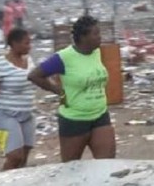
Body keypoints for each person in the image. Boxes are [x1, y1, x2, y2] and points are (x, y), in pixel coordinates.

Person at [28, 16, 115, 162]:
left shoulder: (97, 53)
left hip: (100, 115)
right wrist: (58, 91)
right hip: (74, 120)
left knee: (107, 164)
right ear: (83, 37)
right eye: (96, 34)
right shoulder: (64, 57)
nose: (100, 37)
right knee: (71, 168)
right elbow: (34, 75)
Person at [0, 29, 36, 171]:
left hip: (27, 114)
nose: (30, 46)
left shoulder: (29, 61)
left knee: (25, 154)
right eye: (26, 43)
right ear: (14, 43)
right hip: (5, 115)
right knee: (15, 156)